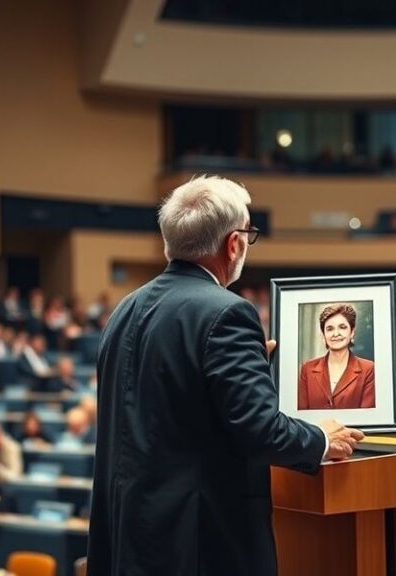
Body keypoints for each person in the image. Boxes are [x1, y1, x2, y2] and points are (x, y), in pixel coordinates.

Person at [87, 176, 363, 576]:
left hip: (129, 536)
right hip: (196, 548)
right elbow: (259, 432)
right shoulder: (228, 313)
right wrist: (321, 438)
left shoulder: (124, 311)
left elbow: (169, 408)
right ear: (233, 244)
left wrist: (251, 367)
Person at [298, 303, 375, 410]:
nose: (336, 334)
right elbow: (301, 415)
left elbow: (369, 416)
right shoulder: (307, 369)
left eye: (342, 327)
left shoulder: (368, 369)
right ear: (323, 334)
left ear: (352, 332)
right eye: (330, 329)